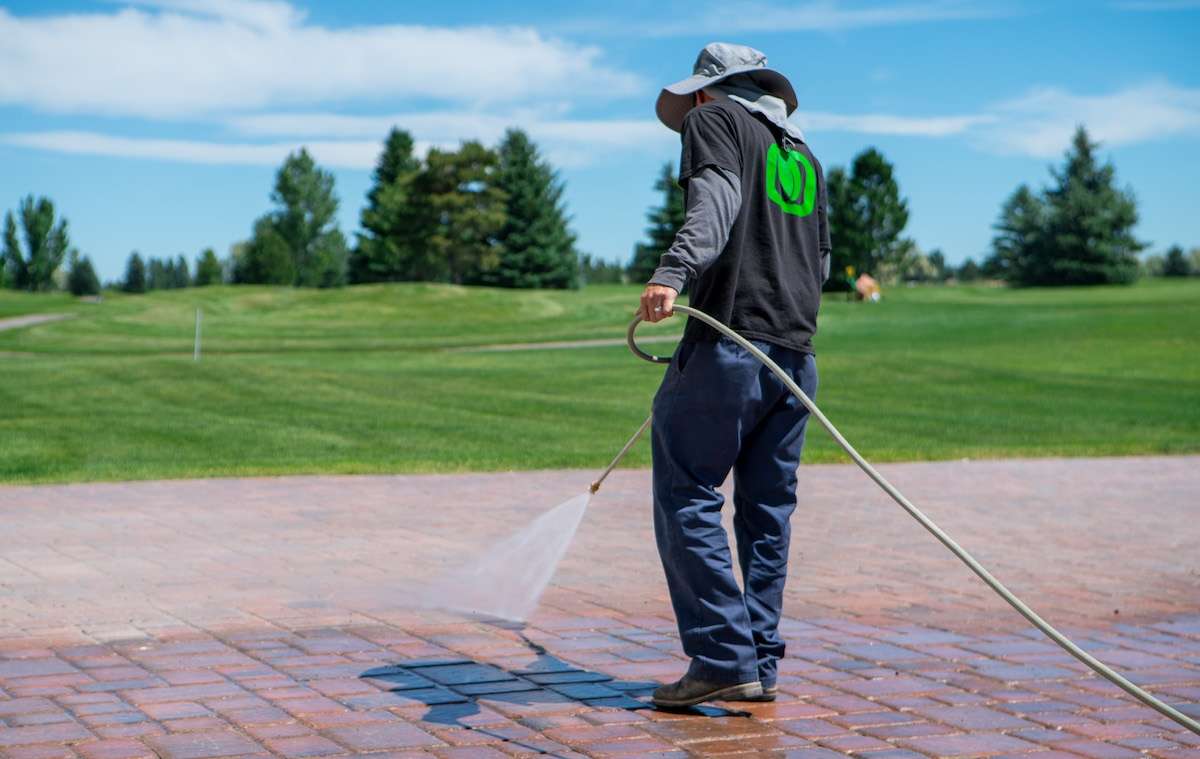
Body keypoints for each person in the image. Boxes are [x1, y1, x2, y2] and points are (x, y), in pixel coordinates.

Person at [637, 42, 831, 708]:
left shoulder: (713, 122)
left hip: (730, 343)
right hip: (796, 358)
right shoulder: (802, 152)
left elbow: (715, 202)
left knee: (687, 490)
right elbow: (822, 259)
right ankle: (760, 662)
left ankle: (722, 655)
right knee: (767, 512)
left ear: (703, 92)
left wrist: (672, 272)